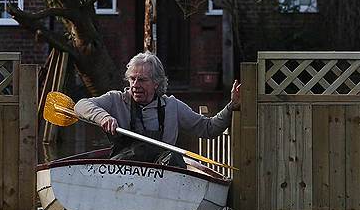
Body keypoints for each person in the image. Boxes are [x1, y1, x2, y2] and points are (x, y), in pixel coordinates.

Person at [74, 52, 241, 168]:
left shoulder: (172, 106)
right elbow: (80, 105)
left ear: (156, 83)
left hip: (163, 172)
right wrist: (103, 117)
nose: (135, 85)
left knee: (175, 158)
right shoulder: (116, 99)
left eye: (142, 80)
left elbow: (208, 129)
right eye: (132, 79)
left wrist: (231, 106)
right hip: (124, 169)